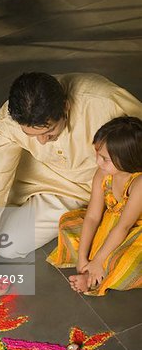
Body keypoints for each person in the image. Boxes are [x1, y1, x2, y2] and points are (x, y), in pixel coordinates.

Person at [0, 72, 142, 298]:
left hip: (80, 189)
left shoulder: (104, 101)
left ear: (65, 106)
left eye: (49, 132)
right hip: (34, 167)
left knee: (9, 245)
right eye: (32, 135)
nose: (42, 141)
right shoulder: (9, 119)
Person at [47, 116, 142, 295]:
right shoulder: (103, 173)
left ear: (126, 159)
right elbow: (92, 217)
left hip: (133, 231)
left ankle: (94, 277)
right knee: (68, 223)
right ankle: (91, 270)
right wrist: (82, 258)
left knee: (126, 263)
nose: (98, 162)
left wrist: (98, 260)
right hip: (110, 226)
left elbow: (124, 227)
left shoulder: (139, 184)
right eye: (98, 154)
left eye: (105, 159)